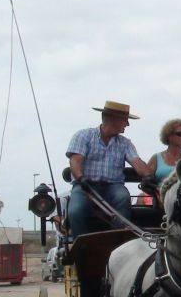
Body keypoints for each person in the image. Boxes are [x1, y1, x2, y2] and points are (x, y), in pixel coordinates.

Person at [66, 101, 154, 237]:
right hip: (85, 186)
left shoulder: (125, 143)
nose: (127, 124)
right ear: (113, 119)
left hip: (113, 187)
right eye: (125, 120)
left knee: (123, 197)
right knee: (75, 211)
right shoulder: (83, 136)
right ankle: (80, 243)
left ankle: (117, 240)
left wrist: (148, 176)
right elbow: (75, 161)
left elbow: (137, 162)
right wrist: (81, 179)